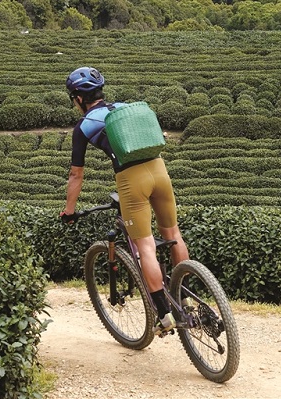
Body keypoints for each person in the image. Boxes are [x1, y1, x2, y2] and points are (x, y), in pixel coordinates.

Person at [60, 67, 190, 335]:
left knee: (145, 247)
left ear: (79, 98)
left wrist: (69, 210)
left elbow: (76, 174)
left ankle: (164, 316)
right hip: (159, 170)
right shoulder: (123, 108)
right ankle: (186, 298)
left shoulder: (84, 126)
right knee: (173, 233)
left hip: (132, 181)